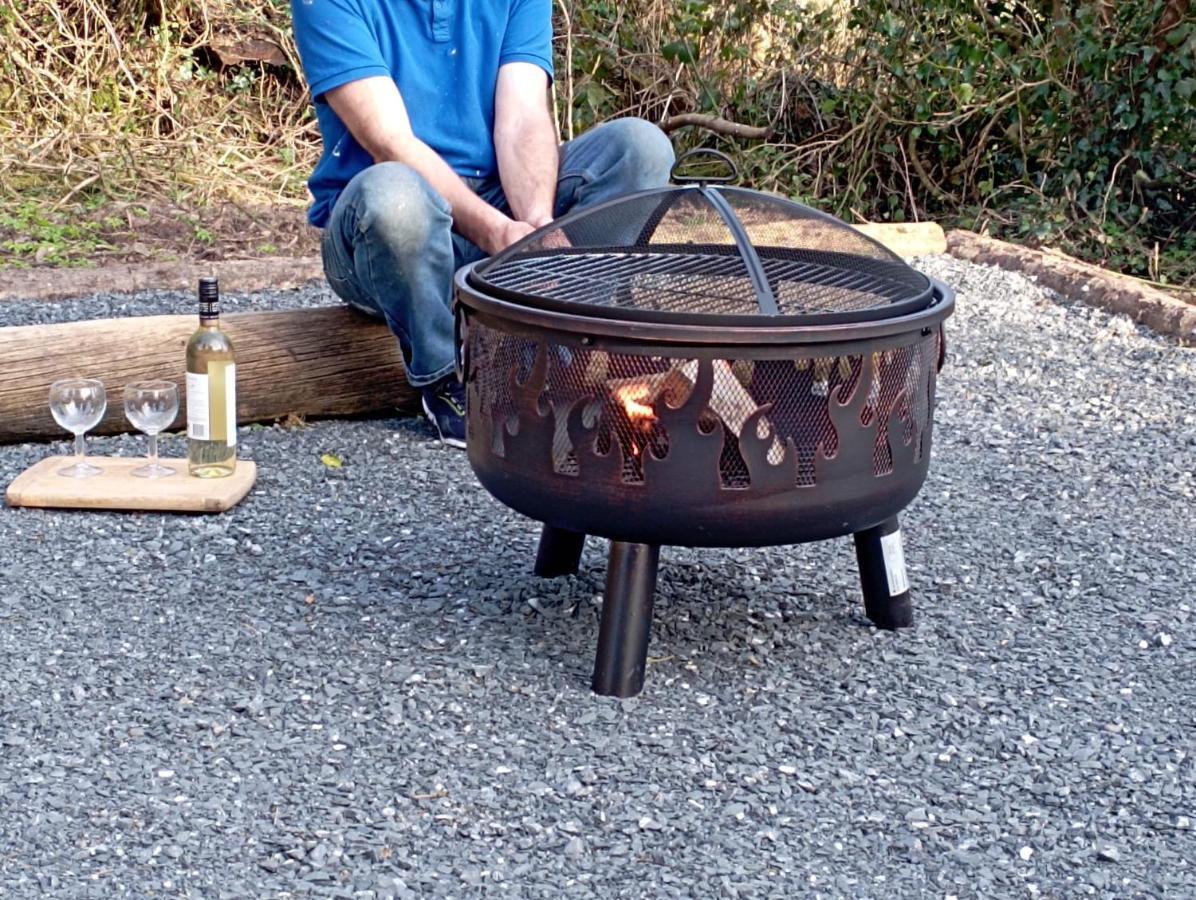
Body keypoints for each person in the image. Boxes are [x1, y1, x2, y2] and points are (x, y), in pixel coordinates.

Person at [290, 0, 675, 447]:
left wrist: (537, 226)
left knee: (640, 148)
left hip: (497, 202)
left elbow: (523, 118)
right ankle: (446, 379)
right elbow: (391, 143)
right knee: (394, 195)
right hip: (382, 233)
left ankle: (564, 340)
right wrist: (500, 235)